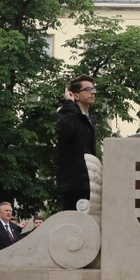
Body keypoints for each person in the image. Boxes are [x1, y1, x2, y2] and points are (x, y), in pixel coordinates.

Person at [56, 75, 98, 210]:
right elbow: (65, 130)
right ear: (76, 96)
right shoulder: (68, 114)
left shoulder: (90, 119)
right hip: (73, 184)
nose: (93, 92)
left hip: (89, 181)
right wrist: (68, 103)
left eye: (93, 89)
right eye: (88, 89)